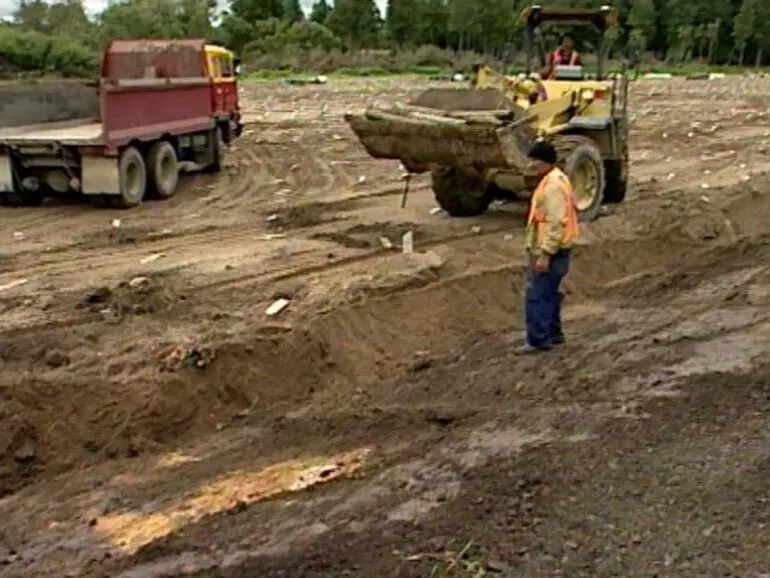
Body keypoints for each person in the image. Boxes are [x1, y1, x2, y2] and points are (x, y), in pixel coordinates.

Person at [516, 140, 579, 354]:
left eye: (535, 160)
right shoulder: (558, 180)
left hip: (549, 250)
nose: (531, 164)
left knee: (538, 295)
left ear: (546, 162)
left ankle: (538, 340)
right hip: (557, 248)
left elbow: (556, 222)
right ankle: (554, 333)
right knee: (550, 293)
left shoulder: (552, 187)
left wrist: (545, 254)